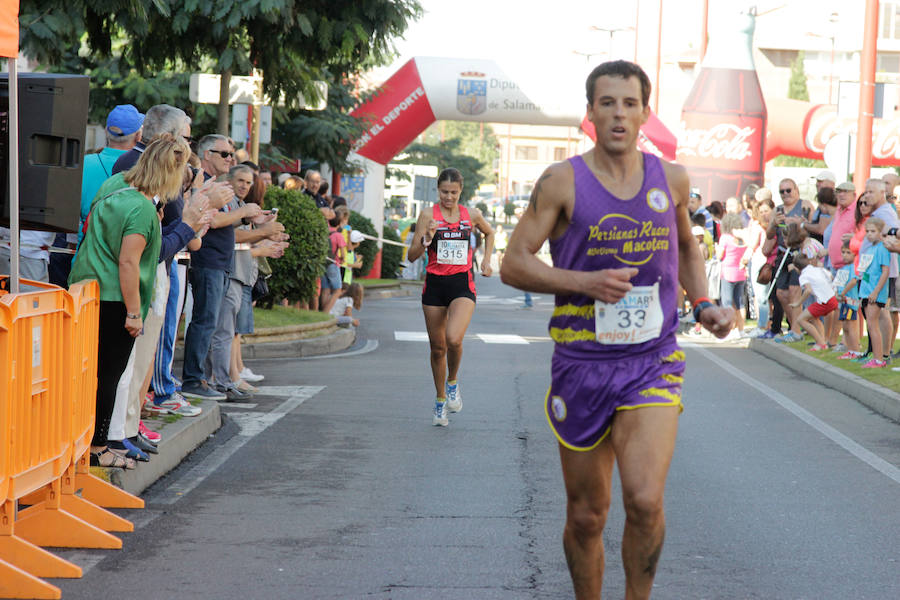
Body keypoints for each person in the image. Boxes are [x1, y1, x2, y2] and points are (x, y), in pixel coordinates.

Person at [500, 60, 733, 599]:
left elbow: (685, 247)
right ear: (590, 114)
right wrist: (584, 282)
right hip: (581, 364)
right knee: (587, 515)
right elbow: (513, 263)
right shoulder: (561, 181)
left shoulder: (670, 178)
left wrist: (704, 304)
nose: (619, 114)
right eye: (608, 103)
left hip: (651, 361)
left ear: (645, 113)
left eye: (630, 104)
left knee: (645, 499)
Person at [70, 134, 189, 468]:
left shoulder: (116, 184)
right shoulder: (140, 207)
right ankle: (98, 449)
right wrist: (135, 313)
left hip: (86, 286)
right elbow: (128, 263)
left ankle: (85, 444)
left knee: (88, 373)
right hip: (115, 296)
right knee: (109, 375)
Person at [405, 168, 495, 427]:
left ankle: (453, 381)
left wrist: (487, 261)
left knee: (453, 338)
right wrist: (426, 238)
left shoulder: (471, 215)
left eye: (453, 193)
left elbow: (489, 233)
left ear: (460, 191)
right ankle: (440, 399)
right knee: (437, 348)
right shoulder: (427, 215)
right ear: (437, 190)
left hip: (461, 285)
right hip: (434, 285)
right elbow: (411, 255)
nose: (449, 197)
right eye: (444, 192)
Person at [857, 217, 891, 368]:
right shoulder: (869, 249)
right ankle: (876, 357)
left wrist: (876, 291)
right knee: (869, 326)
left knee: (873, 324)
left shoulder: (883, 248)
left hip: (874, 292)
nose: (869, 234)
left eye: (873, 231)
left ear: (880, 232)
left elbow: (885, 272)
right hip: (865, 291)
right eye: (867, 231)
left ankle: (879, 359)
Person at [787, 252, 837, 351]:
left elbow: (808, 290)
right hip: (832, 298)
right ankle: (822, 341)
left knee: (801, 319)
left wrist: (798, 303)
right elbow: (831, 277)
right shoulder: (818, 269)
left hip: (824, 301)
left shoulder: (803, 276)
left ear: (797, 268)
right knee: (813, 318)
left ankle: (821, 343)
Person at [716, 213, 748, 339]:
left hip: (728, 273)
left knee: (727, 303)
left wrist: (717, 248)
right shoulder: (742, 238)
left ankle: (728, 331)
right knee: (740, 303)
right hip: (741, 273)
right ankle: (741, 330)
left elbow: (719, 256)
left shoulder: (725, 237)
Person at [834, 243, 862, 359]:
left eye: (848, 253)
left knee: (851, 326)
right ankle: (850, 349)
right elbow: (838, 284)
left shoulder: (854, 267)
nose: (845, 255)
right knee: (845, 326)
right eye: (843, 252)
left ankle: (855, 350)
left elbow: (853, 281)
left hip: (851, 301)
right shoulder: (842, 269)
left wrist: (843, 293)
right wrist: (837, 294)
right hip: (843, 302)